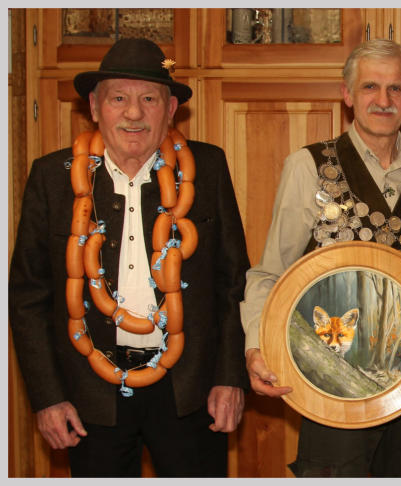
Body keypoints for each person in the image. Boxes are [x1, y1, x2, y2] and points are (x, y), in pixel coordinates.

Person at [9, 38, 250, 477]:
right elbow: (28, 297)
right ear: (94, 107)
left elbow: (233, 283)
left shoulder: (209, 168)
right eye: (118, 98)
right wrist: (48, 397)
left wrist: (230, 377)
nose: (134, 113)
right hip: (89, 396)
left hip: (190, 392)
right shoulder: (51, 177)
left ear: (171, 109)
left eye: (149, 99)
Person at [240, 39, 401, 477]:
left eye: (395, 88)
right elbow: (271, 273)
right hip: (330, 379)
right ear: (347, 95)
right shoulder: (308, 166)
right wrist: (258, 345)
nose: (383, 100)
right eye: (370, 87)